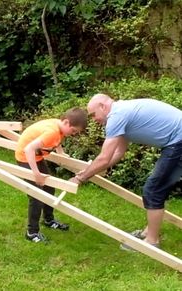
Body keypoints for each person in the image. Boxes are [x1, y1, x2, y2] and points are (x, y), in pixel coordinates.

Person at [70, 93, 182, 250]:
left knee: (153, 190)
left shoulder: (116, 116)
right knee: (156, 189)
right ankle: (150, 231)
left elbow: (103, 158)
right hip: (176, 140)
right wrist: (94, 170)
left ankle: (152, 241)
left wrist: (80, 178)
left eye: (94, 115)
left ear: (103, 106)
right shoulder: (121, 112)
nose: (94, 120)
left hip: (178, 141)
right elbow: (118, 152)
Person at [15, 107, 88, 243]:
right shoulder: (52, 132)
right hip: (25, 158)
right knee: (37, 195)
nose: (73, 134)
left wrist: (60, 152)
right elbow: (28, 149)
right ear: (66, 122)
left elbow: (58, 139)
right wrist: (36, 174)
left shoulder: (59, 127)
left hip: (37, 158)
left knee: (49, 188)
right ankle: (32, 232)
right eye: (73, 131)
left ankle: (48, 220)